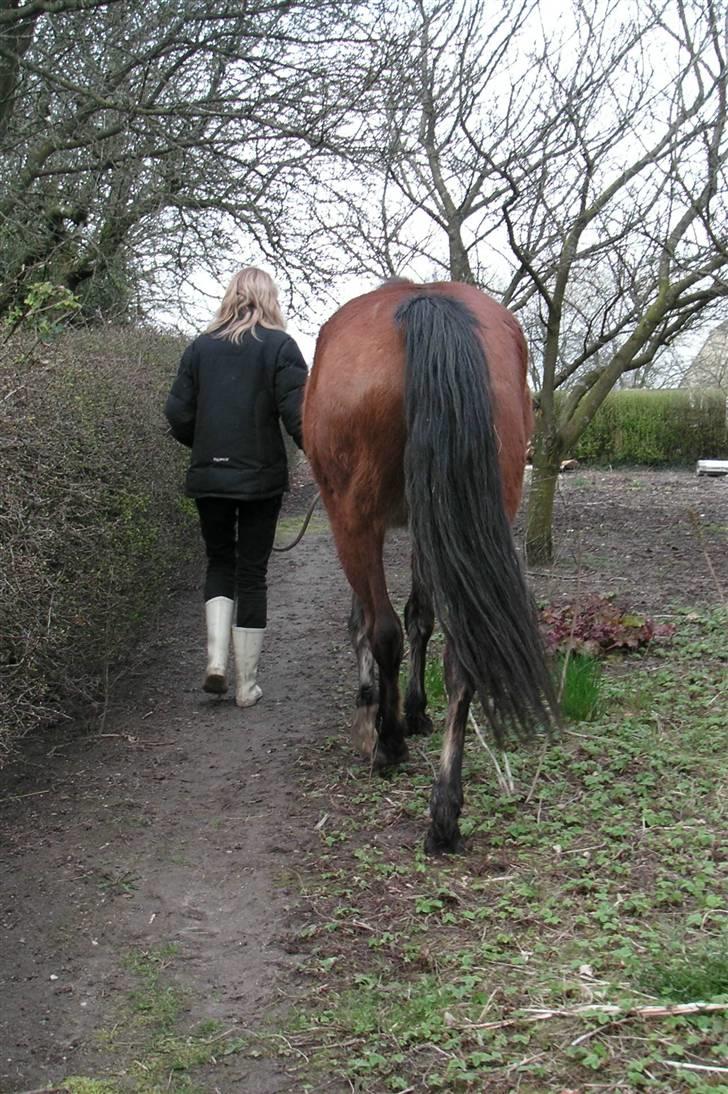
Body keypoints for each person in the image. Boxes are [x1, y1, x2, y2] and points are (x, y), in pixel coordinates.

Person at [165, 267, 307, 708]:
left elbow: (177, 413)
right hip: (261, 478)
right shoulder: (281, 347)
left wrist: (205, 445)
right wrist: (324, 457)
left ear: (231, 296)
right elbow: (298, 415)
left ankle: (215, 664)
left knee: (220, 561)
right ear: (269, 299)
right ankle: (246, 686)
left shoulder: (200, 348)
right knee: (252, 573)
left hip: (209, 476)